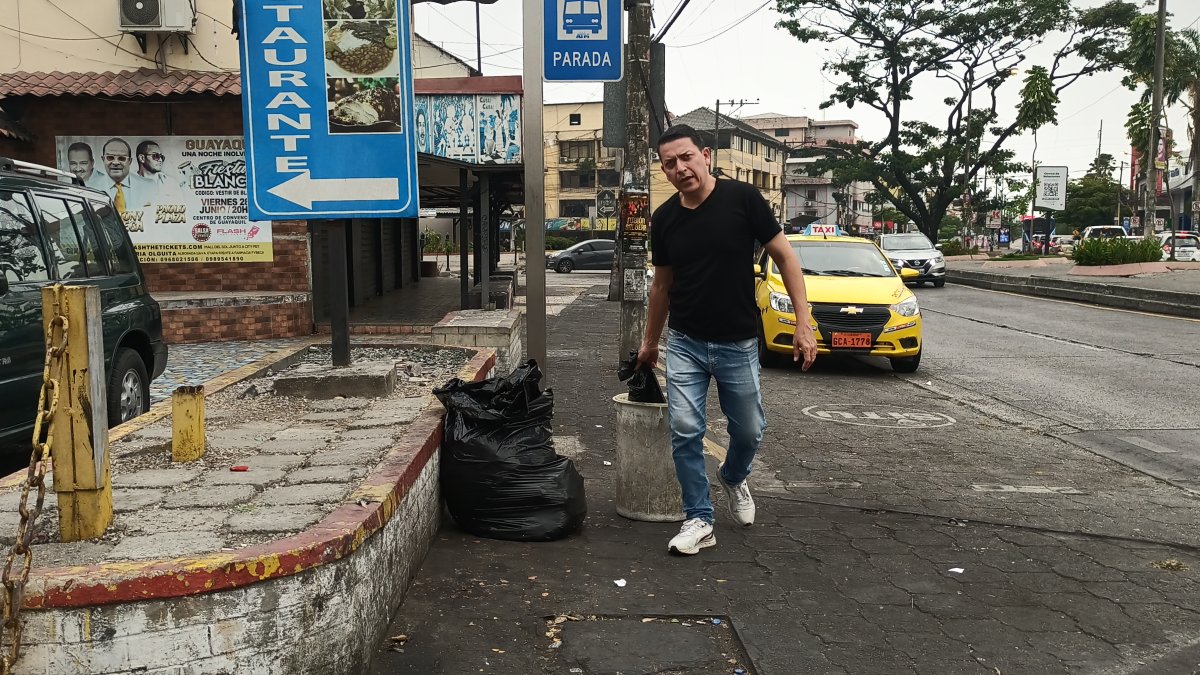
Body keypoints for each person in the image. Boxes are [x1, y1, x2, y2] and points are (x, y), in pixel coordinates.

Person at [637, 124, 817, 556]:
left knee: (750, 429)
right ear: (663, 170)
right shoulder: (664, 219)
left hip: (737, 342)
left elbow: (786, 257)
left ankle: (734, 476)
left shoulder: (743, 200)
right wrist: (650, 343)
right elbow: (661, 287)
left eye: (686, 158)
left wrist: (803, 322)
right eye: (669, 164)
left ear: (705, 155)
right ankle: (699, 517)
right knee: (684, 427)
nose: (680, 168)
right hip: (685, 342)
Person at [131, 140, 182, 206]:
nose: (160, 160)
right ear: (142, 158)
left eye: (162, 157)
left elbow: (181, 210)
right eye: (156, 156)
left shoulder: (171, 183)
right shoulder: (129, 183)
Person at [98, 138, 135, 216]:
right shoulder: (90, 187)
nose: (115, 162)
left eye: (122, 158)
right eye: (110, 157)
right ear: (103, 159)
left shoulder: (148, 186)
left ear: (130, 161)